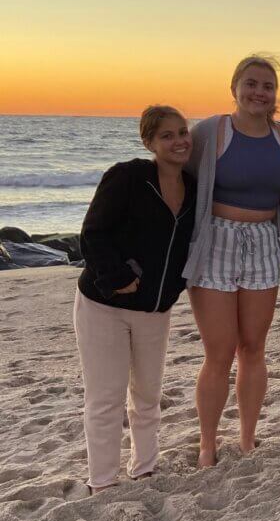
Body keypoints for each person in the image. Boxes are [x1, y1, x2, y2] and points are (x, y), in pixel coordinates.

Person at [74, 106, 197, 492]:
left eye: (182, 132)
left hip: (155, 311)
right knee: (105, 397)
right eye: (167, 135)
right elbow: (92, 234)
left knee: (147, 397)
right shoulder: (127, 177)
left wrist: (174, 288)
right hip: (103, 306)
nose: (178, 141)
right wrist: (117, 278)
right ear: (149, 142)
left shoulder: (194, 188)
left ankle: (144, 468)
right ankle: (103, 482)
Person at [182, 56, 280, 467]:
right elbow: (182, 179)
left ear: (275, 94)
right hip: (216, 240)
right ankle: (208, 443)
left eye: (267, 86)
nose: (259, 92)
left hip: (265, 242)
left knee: (254, 348)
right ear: (234, 87)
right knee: (219, 351)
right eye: (251, 83)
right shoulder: (211, 131)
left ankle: (247, 437)